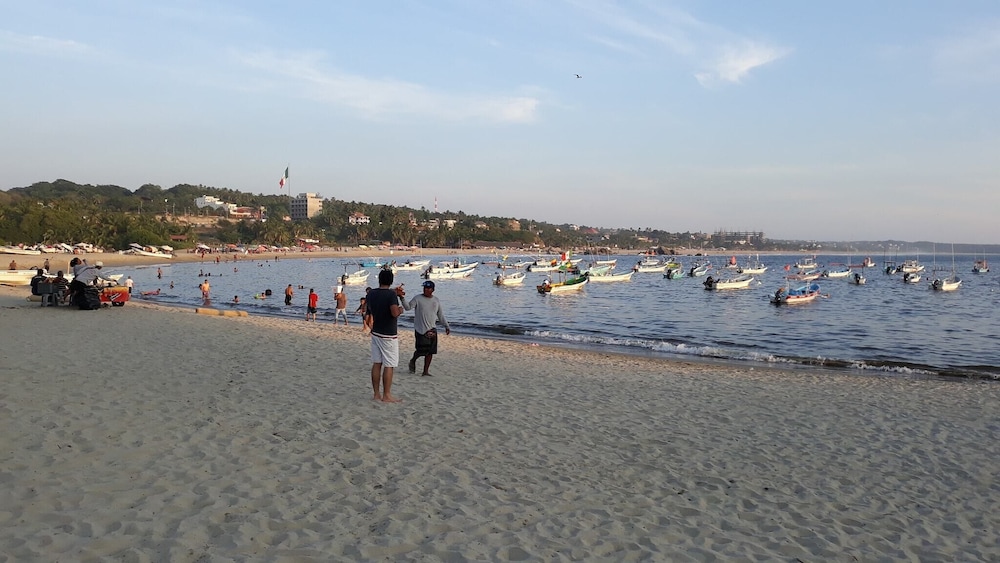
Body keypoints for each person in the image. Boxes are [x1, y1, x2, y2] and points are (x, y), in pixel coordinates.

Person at [366, 269, 405, 402]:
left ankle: (376, 394)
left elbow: (377, 300)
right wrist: (400, 310)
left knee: (377, 363)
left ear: (379, 280)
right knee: (389, 364)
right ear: (391, 281)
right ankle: (387, 395)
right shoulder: (391, 295)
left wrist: (394, 292)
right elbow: (394, 313)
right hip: (388, 334)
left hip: (376, 331)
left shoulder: (371, 293)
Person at [400, 280, 451, 376]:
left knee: (430, 352)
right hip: (420, 329)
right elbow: (408, 307)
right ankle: (413, 360)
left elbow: (440, 315)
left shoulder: (436, 300)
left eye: (428, 288)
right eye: (424, 288)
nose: (426, 290)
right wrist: (402, 298)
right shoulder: (417, 298)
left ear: (433, 290)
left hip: (432, 329)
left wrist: (446, 326)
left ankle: (425, 371)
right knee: (420, 351)